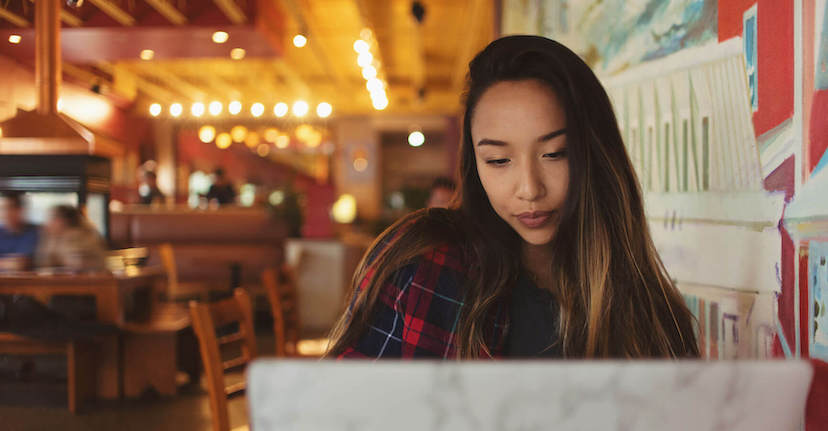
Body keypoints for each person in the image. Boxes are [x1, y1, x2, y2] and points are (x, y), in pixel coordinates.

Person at [326, 35, 699, 359]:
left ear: (594, 153)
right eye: (498, 160)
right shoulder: (425, 265)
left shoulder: (648, 310)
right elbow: (339, 411)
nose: (530, 188)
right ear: (475, 164)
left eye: (555, 153)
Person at [36, 205, 108, 272]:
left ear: (62, 221)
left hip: (87, 282)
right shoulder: (52, 238)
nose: (47, 223)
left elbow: (78, 264)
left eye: (51, 219)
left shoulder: (80, 237)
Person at [0, 191, 39, 271]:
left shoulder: (33, 231)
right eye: (2, 208)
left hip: (23, 282)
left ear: (21, 210)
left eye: (10, 208)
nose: (5, 213)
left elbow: (19, 264)